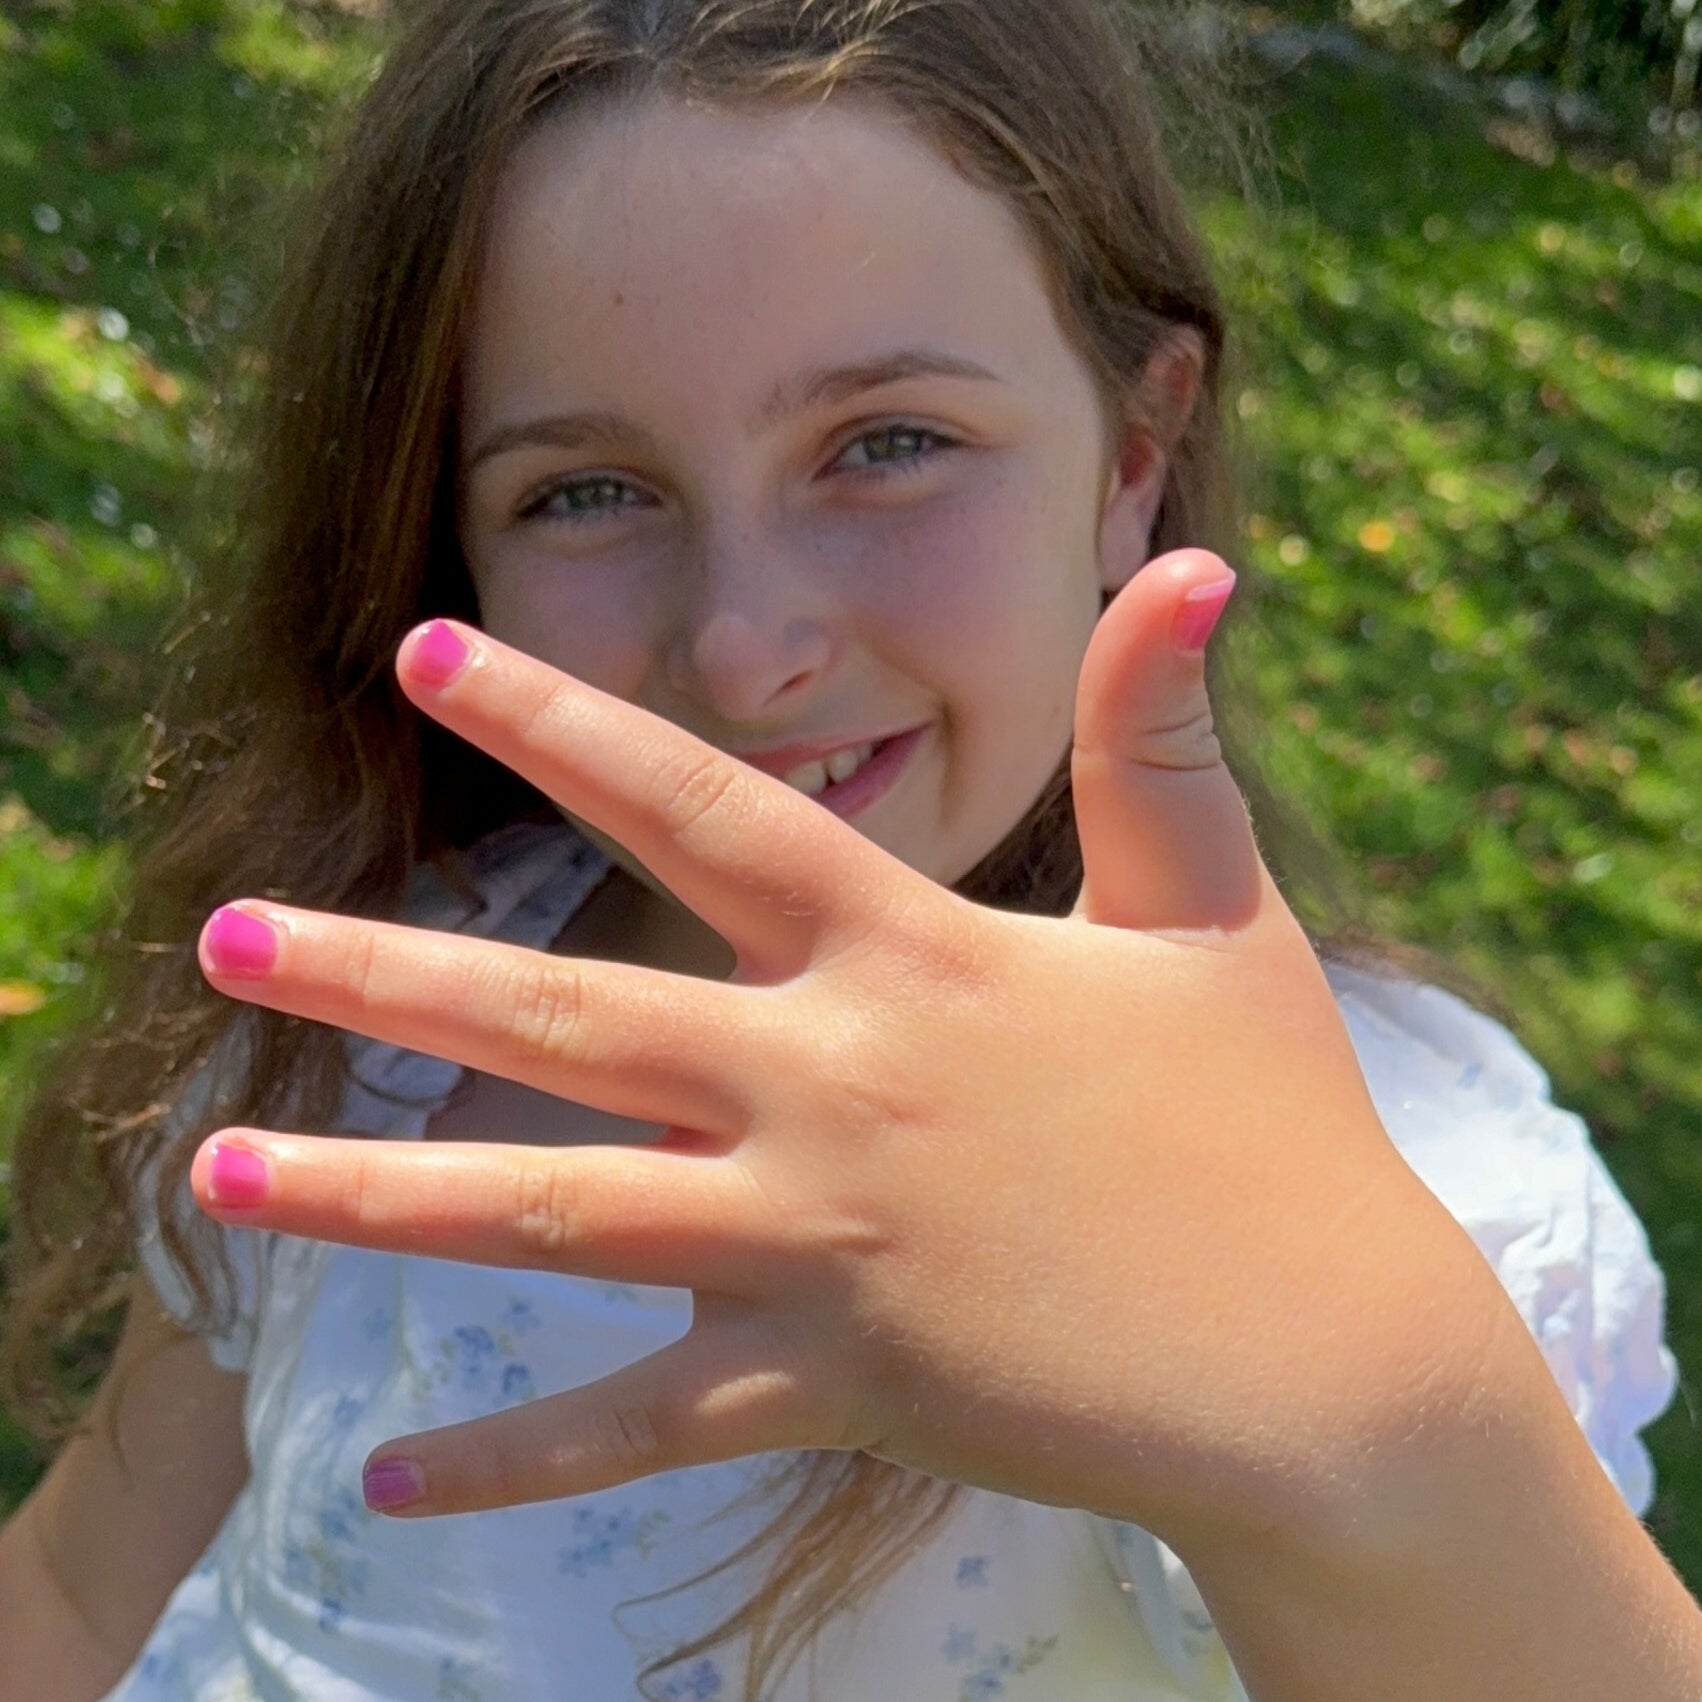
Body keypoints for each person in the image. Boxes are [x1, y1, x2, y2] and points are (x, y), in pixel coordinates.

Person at [0, 0, 1695, 1697]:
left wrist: (1368, 1411)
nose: (744, 648)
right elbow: (78, 1591)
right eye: (582, 489)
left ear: (1133, 453)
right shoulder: (376, 1024)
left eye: (888, 444)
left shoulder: (1404, 1189)